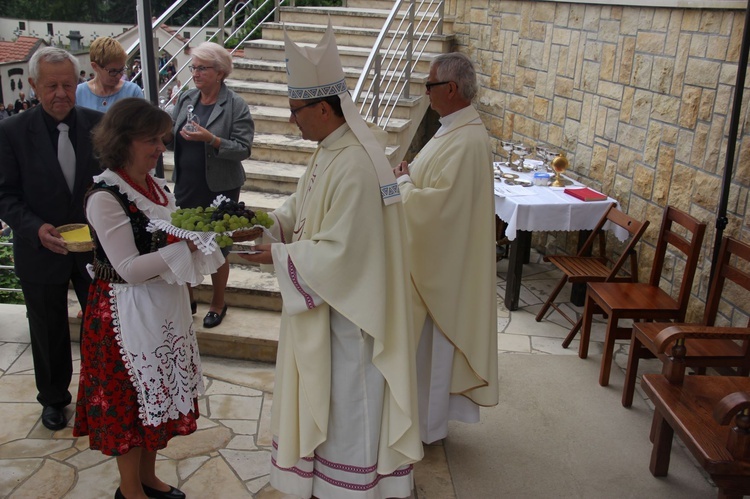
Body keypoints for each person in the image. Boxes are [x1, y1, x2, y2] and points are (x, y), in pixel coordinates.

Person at [238, 24, 422, 498]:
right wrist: (264, 228)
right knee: (333, 405)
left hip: (349, 318)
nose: (291, 117)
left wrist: (277, 257)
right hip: (328, 308)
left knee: (348, 408)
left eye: (296, 109)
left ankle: (350, 491)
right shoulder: (330, 151)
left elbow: (345, 253)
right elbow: (300, 212)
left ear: (323, 107)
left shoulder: (358, 163)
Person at [73, 98, 224, 499]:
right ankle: (130, 490)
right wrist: (185, 249)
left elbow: (171, 237)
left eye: (161, 139)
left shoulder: (154, 185)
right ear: (124, 140)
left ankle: (148, 478)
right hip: (125, 313)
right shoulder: (105, 195)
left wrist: (200, 240)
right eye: (151, 140)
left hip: (162, 307)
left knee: (154, 403)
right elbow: (128, 267)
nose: (161, 148)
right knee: (130, 405)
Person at [392, 52, 499, 444]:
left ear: (450, 89)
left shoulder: (469, 140)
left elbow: (439, 212)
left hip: (443, 271)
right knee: (424, 356)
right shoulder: (451, 127)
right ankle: (423, 422)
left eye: (430, 85)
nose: (425, 92)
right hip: (436, 263)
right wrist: (408, 178)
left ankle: (428, 427)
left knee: (432, 354)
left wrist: (404, 184)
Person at [0, 47, 104, 431]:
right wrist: (34, 228)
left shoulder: (99, 125)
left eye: (68, 84)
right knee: (46, 329)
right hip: (38, 249)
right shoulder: (10, 131)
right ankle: (54, 400)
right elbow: (4, 195)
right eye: (51, 85)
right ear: (32, 86)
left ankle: (99, 396)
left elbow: (115, 183)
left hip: (95, 250)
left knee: (102, 327)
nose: (61, 93)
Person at [170, 41, 254, 328]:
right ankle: (188, 299)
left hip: (220, 188)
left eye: (202, 68)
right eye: (193, 68)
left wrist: (212, 140)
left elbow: (243, 148)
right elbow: (170, 134)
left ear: (220, 72)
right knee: (185, 243)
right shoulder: (186, 99)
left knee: (218, 246)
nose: (196, 73)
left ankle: (218, 303)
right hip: (187, 183)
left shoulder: (235, 105)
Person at [76, 37, 144, 113]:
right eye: (113, 71)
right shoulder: (79, 93)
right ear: (95, 67)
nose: (119, 76)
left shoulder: (133, 92)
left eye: (121, 70)